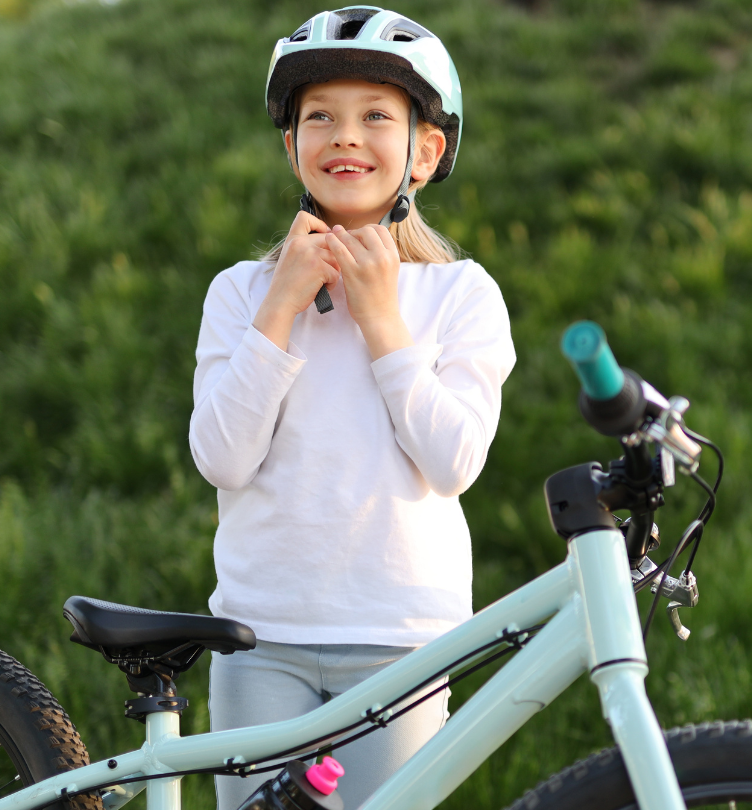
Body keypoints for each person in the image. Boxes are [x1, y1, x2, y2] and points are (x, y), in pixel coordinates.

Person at [188, 7, 516, 809]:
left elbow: (454, 461)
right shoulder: (240, 292)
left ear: (425, 152)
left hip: (401, 644)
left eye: (376, 116)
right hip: (260, 640)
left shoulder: (460, 294)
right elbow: (222, 458)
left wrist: (381, 321)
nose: (345, 136)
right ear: (291, 145)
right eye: (320, 118)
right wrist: (281, 310)